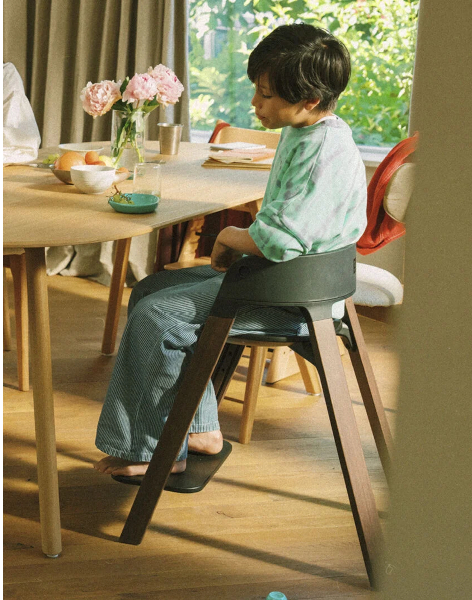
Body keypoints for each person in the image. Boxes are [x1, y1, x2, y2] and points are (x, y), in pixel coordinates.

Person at [93, 23, 368, 477]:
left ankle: (153, 450)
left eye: (266, 94)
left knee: (158, 316)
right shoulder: (310, 133)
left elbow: (276, 241)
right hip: (280, 280)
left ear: (309, 100)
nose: (255, 103)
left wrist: (225, 238)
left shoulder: (321, 152)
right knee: (149, 291)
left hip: (294, 298)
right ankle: (200, 428)